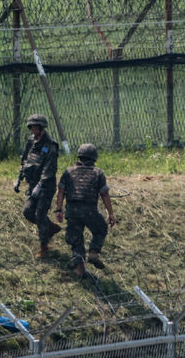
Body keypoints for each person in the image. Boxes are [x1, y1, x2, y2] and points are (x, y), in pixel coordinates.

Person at [54, 143, 116, 278]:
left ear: (79, 156)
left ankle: (79, 268)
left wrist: (58, 209)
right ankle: (93, 252)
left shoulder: (68, 171)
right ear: (94, 158)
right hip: (89, 210)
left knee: (76, 239)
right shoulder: (98, 173)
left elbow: (61, 191)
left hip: (72, 210)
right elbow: (104, 194)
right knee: (100, 228)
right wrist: (110, 213)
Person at [17, 113, 61, 259]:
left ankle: (44, 248)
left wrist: (41, 185)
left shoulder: (50, 145)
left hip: (46, 186)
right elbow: (24, 160)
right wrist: (19, 178)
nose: (34, 129)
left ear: (42, 127)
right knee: (27, 211)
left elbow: (50, 168)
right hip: (32, 184)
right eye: (32, 127)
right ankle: (50, 227)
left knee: (40, 214)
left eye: (36, 127)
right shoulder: (31, 141)